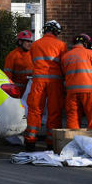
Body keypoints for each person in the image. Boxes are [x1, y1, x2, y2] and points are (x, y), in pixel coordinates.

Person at [24, 20, 67, 151]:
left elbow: (32, 61)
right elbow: (64, 64)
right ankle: (50, 142)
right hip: (55, 82)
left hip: (38, 81)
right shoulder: (61, 45)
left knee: (35, 110)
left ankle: (30, 141)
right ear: (55, 32)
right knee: (54, 112)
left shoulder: (35, 44)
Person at [61, 34, 92, 135]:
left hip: (71, 92)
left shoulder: (65, 57)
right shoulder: (90, 53)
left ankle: (73, 143)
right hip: (89, 92)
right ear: (86, 43)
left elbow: (64, 73)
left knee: (73, 117)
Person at [3, 30, 35, 96]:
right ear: (20, 42)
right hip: (18, 92)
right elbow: (7, 76)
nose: (30, 44)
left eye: (31, 41)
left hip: (31, 91)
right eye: (27, 41)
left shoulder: (33, 54)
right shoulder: (12, 55)